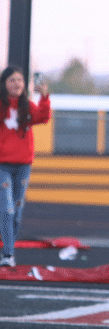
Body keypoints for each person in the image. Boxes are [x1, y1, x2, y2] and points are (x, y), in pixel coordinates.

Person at [0, 66, 51, 267]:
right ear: (4, 84)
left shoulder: (27, 106)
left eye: (19, 80)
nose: (16, 84)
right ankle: (8, 254)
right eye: (12, 80)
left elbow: (43, 117)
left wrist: (44, 96)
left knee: (17, 210)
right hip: (2, 165)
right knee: (7, 209)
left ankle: (8, 250)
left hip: (23, 165)